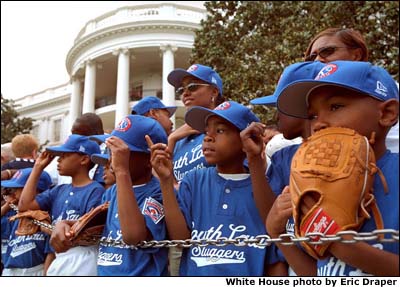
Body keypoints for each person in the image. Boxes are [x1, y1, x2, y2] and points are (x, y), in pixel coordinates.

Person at [271, 60, 399, 276]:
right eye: (312, 115)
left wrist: (334, 240)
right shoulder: (311, 181)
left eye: (336, 107)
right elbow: (317, 274)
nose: (318, 124)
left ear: (386, 113)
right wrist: (278, 233)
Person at [147, 101, 284, 276]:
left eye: (220, 131)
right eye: (206, 131)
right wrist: (166, 181)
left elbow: (274, 259)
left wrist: (254, 158)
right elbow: (181, 238)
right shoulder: (194, 179)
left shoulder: (261, 186)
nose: (207, 137)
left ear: (247, 139)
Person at [50, 115, 169, 276]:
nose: (112, 157)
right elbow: (99, 224)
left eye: (121, 152)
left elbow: (133, 236)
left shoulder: (158, 192)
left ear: (150, 158)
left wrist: (121, 172)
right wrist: (65, 224)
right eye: (110, 149)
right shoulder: (112, 191)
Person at [17, 134, 105, 276]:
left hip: (83, 257)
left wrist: (51, 228)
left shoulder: (95, 190)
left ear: (84, 159)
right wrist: (38, 167)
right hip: (60, 256)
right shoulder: (60, 189)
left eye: (65, 155)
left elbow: (89, 230)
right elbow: (24, 206)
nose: (59, 160)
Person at [304, 27, 398, 153]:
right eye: (311, 58)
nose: (317, 60)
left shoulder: (388, 90)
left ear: (356, 55)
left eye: (327, 51)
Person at [1, 168, 54, 276]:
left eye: (18, 189)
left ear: (33, 190)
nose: (14, 193)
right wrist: (7, 206)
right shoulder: (16, 213)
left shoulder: (46, 215)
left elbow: (51, 252)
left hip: (36, 270)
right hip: (10, 270)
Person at [45, 112, 106, 186]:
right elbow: (45, 177)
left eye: (81, 134)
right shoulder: (68, 150)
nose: (75, 137)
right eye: (73, 133)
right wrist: (38, 168)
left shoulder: (110, 154)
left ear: (98, 133)